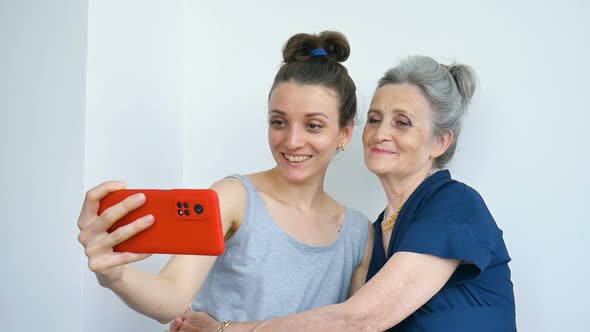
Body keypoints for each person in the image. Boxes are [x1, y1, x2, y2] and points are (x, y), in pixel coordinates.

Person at [171, 55, 516, 331]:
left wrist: (225, 330)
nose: (381, 133)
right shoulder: (375, 231)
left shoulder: (455, 205)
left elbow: (358, 321)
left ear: (440, 142)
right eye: (375, 118)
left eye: (402, 122)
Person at [77, 30, 373, 326]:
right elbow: (171, 297)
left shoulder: (359, 235)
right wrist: (115, 274)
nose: (293, 141)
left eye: (314, 125)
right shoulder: (234, 197)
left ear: (345, 133)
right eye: (279, 122)